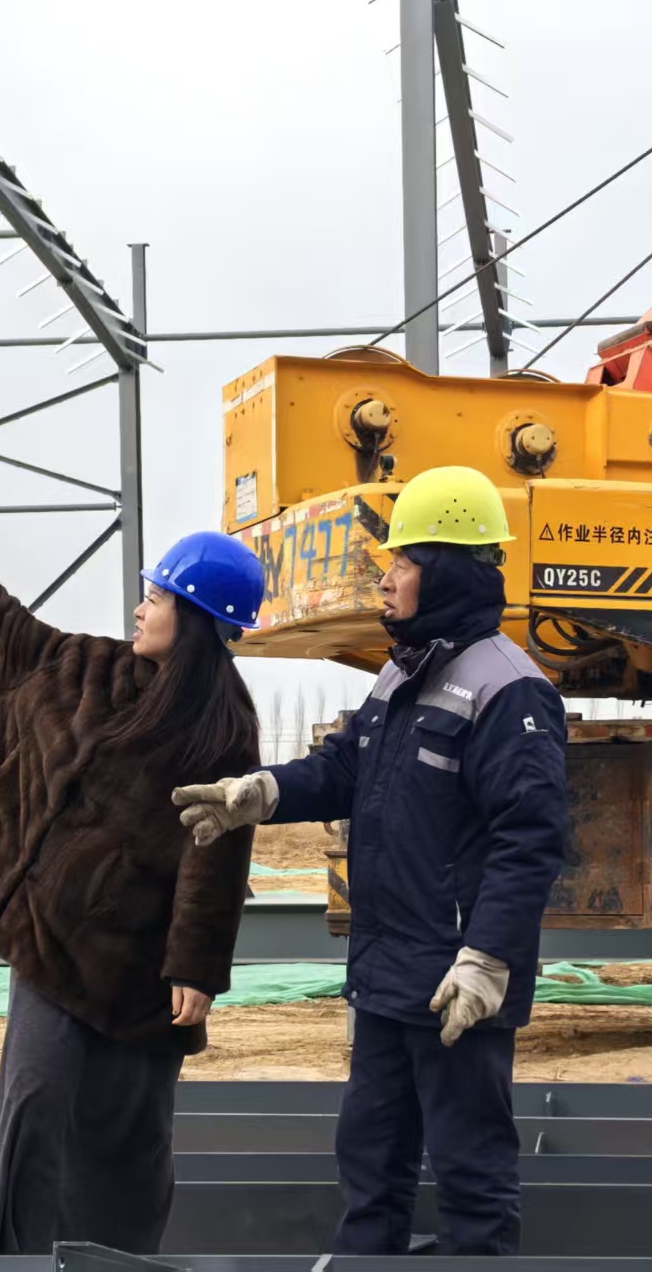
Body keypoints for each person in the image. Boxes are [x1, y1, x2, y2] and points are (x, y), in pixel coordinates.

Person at [173, 466, 569, 1257]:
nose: (384, 577)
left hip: (455, 981)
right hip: (387, 974)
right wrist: (262, 791)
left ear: (446, 570)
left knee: (470, 1176)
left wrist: (486, 959)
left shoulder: (508, 688)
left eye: (402, 562)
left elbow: (528, 838)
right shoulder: (402, 671)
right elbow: (346, 768)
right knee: (368, 1166)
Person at [0, 494, 263, 1256]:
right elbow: (5, 631)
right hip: (49, 952)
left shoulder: (223, 728)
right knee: (34, 1118)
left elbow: (214, 857)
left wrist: (195, 965)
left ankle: (119, 1262)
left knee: (126, 1147)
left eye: (156, 599)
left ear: (196, 620)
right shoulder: (88, 668)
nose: (139, 609)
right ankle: (14, 1264)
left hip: (143, 978)